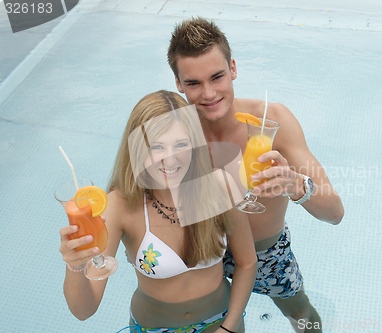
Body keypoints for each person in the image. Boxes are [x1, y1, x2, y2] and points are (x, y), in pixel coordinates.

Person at [167, 17, 345, 333]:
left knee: (301, 313)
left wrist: (297, 185)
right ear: (178, 84)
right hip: (207, 254)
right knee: (224, 325)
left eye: (217, 77)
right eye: (193, 83)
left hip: (268, 252)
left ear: (233, 69)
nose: (208, 94)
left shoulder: (273, 120)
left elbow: (335, 212)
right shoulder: (173, 134)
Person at [59, 90, 257, 333]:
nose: (170, 160)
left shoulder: (220, 186)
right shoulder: (119, 206)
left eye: (181, 144)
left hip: (222, 321)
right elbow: (83, 311)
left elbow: (247, 263)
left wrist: (230, 325)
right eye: (157, 147)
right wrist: (76, 266)